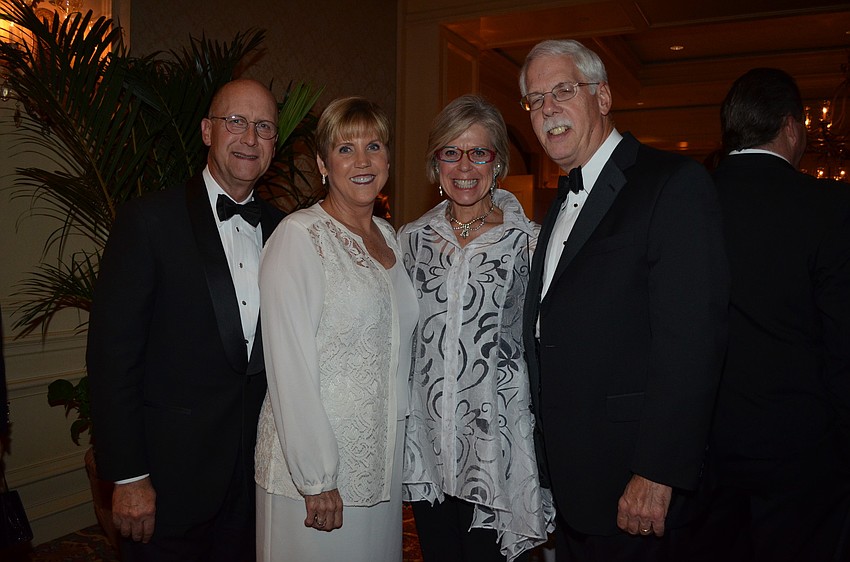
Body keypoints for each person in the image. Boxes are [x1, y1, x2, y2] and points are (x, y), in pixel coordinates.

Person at [518, 39, 729, 561]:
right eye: (535, 99)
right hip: (572, 485)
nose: (548, 109)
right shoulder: (560, 202)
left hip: (634, 484)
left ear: (604, 96)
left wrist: (657, 471)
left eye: (562, 90)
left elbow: (693, 341)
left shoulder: (672, 184)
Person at [87, 78, 284, 562]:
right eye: (235, 121)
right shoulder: (148, 221)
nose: (249, 138)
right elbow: (113, 359)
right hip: (167, 485)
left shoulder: (287, 230)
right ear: (206, 131)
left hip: (257, 482)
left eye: (263, 127)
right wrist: (129, 477)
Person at [693, 67, 850, 562]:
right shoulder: (830, 207)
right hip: (802, 451)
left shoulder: (690, 204)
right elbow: (843, 341)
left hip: (707, 451)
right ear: (791, 127)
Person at [254, 96, 418, 562]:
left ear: (388, 158)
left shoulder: (389, 237)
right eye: (345, 149)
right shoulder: (299, 236)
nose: (363, 161)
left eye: (374, 146)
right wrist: (317, 478)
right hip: (313, 477)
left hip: (379, 468)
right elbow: (289, 366)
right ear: (323, 164)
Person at [400, 94, 554, 562]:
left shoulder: (529, 243)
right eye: (451, 151)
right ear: (435, 162)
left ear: (498, 161)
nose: (464, 164)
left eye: (479, 152)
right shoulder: (411, 240)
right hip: (426, 447)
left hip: (496, 449)